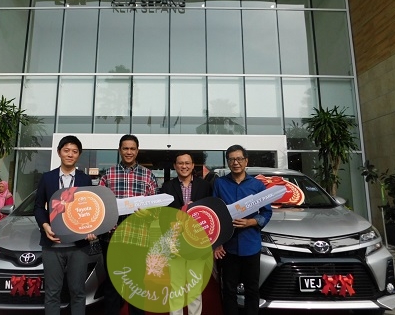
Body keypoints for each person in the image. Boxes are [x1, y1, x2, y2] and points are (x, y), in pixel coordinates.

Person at [34, 135, 96, 315]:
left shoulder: (85, 180)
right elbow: (38, 207)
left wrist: (91, 230)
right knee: (52, 292)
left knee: (78, 292)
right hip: (53, 244)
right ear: (59, 152)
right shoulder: (47, 178)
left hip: (78, 245)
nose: (70, 154)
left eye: (74, 151)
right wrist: (45, 225)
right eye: (66, 150)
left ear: (79, 155)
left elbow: (90, 209)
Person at [99, 134, 159, 315]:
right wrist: (109, 224)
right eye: (125, 148)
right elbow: (100, 207)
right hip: (112, 239)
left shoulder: (148, 176)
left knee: (137, 286)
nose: (129, 152)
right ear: (119, 150)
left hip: (138, 239)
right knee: (112, 286)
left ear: (137, 151)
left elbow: (156, 209)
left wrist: (147, 214)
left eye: (132, 149)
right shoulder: (108, 174)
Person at [212, 145, 272, 315]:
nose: (235, 162)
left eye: (239, 159)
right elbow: (215, 214)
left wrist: (251, 222)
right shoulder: (219, 184)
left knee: (252, 290)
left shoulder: (257, 185)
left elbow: (267, 212)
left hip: (251, 245)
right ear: (228, 162)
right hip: (227, 248)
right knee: (228, 290)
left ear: (246, 161)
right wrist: (217, 243)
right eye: (231, 159)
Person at [160, 152, 213, 315]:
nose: (184, 166)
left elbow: (210, 214)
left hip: (196, 243)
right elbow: (163, 216)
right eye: (180, 163)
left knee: (194, 287)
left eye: (187, 163)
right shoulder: (167, 187)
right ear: (175, 166)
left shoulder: (204, 187)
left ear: (192, 165)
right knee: (176, 286)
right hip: (175, 242)